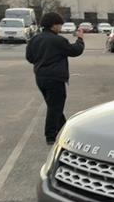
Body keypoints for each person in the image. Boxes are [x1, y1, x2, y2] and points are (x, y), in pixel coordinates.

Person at [25, 12, 85, 144]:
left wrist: (41, 61)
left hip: (40, 77)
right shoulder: (58, 40)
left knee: (53, 105)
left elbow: (29, 57)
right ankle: (50, 135)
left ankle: (63, 128)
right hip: (55, 78)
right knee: (55, 106)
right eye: (59, 25)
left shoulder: (35, 39)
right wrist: (80, 39)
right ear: (53, 25)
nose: (61, 27)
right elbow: (75, 51)